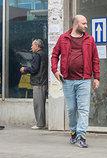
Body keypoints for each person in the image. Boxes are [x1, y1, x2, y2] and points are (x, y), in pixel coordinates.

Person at [51, 15, 100, 148]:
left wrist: (96, 77)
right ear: (76, 24)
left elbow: (95, 59)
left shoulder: (90, 40)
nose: (86, 26)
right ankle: (73, 130)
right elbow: (55, 55)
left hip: (84, 80)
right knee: (72, 109)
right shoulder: (63, 38)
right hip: (67, 80)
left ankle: (81, 136)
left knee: (83, 109)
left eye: (86, 23)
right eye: (84, 23)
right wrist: (55, 70)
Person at [20, 39, 48, 130]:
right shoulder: (43, 54)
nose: (31, 47)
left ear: (37, 46)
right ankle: (41, 123)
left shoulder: (37, 55)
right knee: (40, 103)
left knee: (38, 104)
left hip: (39, 82)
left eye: (33, 45)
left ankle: (40, 124)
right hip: (42, 81)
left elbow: (34, 69)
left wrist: (25, 69)